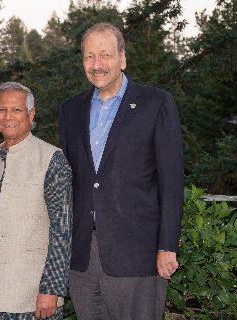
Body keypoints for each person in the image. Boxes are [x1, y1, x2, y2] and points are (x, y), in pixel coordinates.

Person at [59, 22, 184, 319]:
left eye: (105, 55)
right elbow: (69, 181)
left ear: (122, 58)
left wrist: (167, 245)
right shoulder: (70, 110)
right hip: (82, 258)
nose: (97, 64)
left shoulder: (156, 104)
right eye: (89, 56)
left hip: (137, 255)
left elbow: (171, 181)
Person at [0, 82, 72, 320]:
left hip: (30, 293)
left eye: (16, 110)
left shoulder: (52, 159)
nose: (8, 117)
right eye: (2, 110)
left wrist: (52, 289)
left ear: (31, 114)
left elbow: (62, 230)